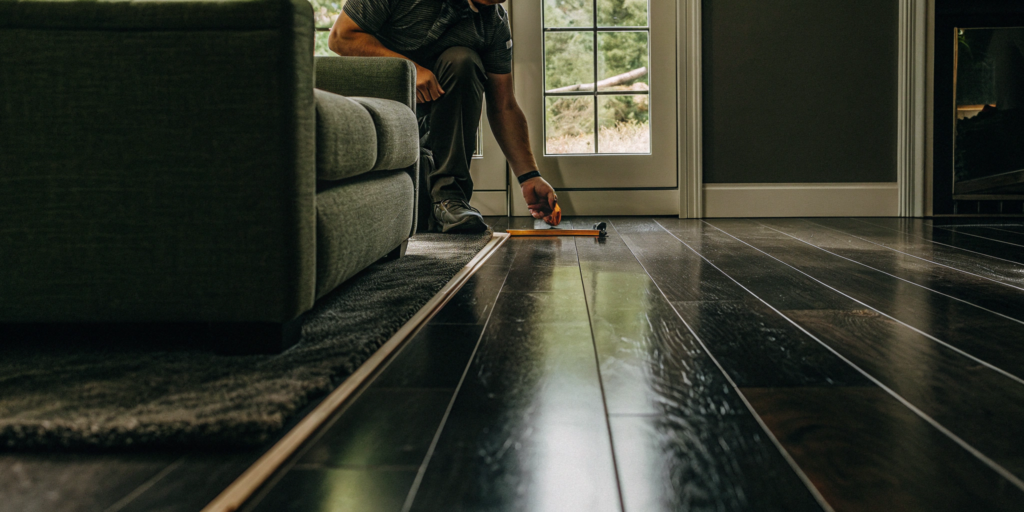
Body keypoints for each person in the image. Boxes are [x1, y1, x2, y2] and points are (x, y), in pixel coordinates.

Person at [329, 0, 558, 233]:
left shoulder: (493, 23)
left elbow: (504, 106)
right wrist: (410, 70)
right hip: (381, 110)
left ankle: (449, 200)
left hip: (435, 130)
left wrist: (529, 177)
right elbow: (341, 37)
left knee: (463, 60)